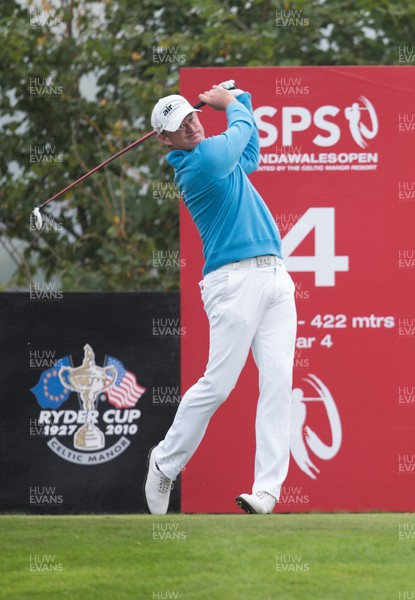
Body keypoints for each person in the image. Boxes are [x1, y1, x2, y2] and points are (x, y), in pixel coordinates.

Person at [144, 80, 297, 515]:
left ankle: (266, 490)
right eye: (180, 125)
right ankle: (165, 461)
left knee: (278, 382)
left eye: (192, 117)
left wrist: (244, 98)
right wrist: (231, 103)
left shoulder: (220, 157)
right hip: (233, 283)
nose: (191, 126)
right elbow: (235, 142)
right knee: (219, 385)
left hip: (274, 277)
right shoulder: (197, 165)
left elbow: (250, 154)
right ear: (165, 139)